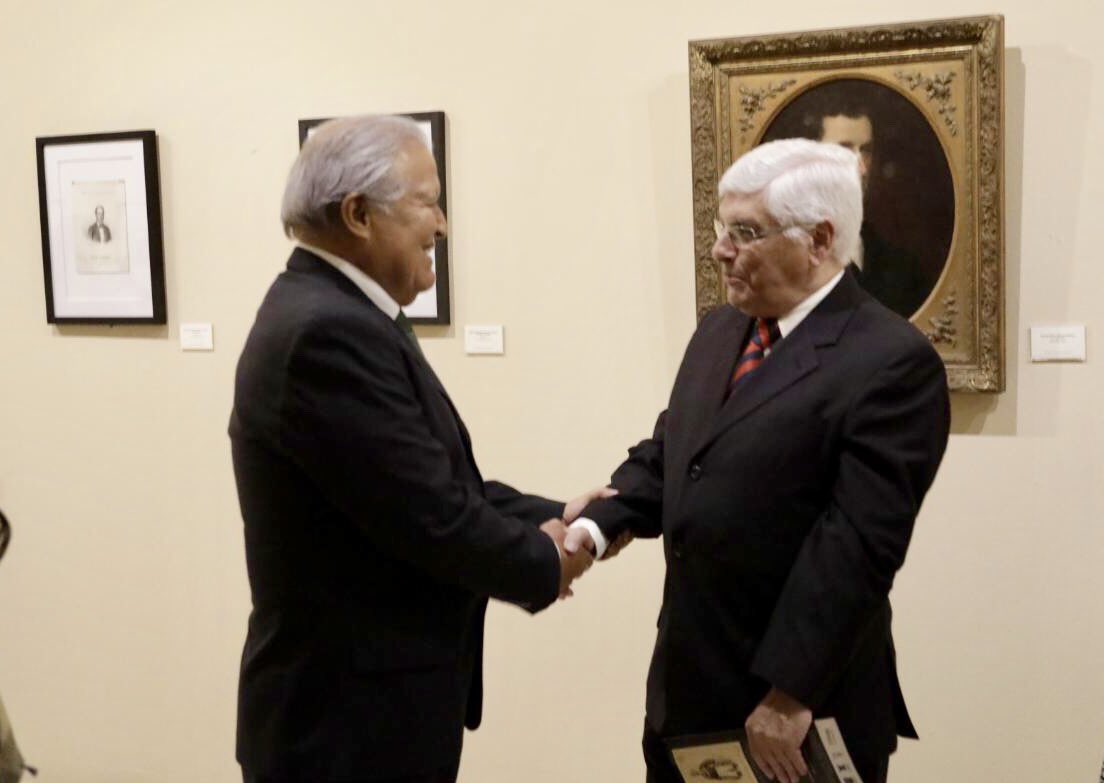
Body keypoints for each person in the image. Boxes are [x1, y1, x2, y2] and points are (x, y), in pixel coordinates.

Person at [228, 115, 599, 783]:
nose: (442, 225)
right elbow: (433, 516)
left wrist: (563, 514)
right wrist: (549, 560)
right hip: (342, 732)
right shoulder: (325, 331)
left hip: (365, 720)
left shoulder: (339, 313)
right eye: (428, 202)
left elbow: (433, 483)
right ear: (358, 214)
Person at [568, 139, 950, 783]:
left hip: (793, 710)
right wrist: (597, 525)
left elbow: (858, 544)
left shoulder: (891, 361)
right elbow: (675, 453)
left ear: (819, 240)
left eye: (745, 232)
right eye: (722, 228)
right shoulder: (721, 330)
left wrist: (789, 693)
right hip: (689, 693)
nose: (720, 249)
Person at [816, 108, 929, 318]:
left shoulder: (903, 269)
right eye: (844, 149)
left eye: (866, 151)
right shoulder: (780, 262)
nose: (862, 168)